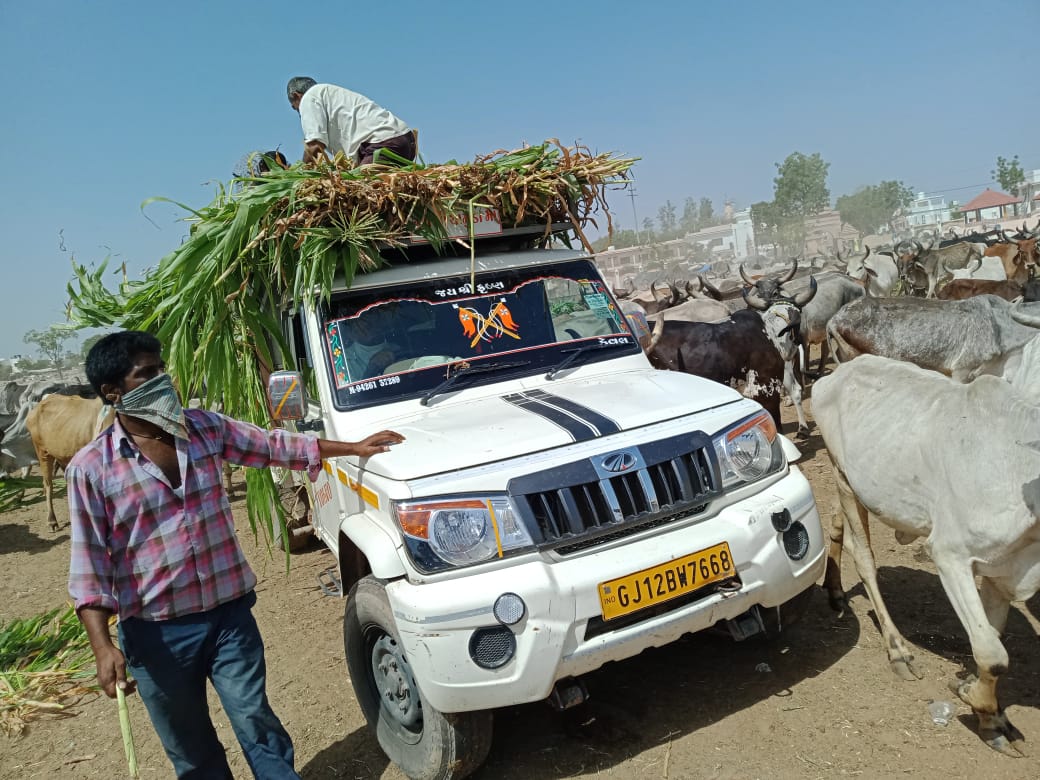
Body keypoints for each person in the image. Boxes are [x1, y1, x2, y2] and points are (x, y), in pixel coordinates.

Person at [66, 330, 404, 779]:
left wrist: (353, 448)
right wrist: (102, 647)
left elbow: (273, 446)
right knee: (190, 746)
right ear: (113, 393)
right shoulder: (91, 469)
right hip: (156, 635)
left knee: (254, 719)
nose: (162, 381)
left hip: (229, 618)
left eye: (160, 370)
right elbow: (89, 566)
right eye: (146, 375)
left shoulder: (204, 428)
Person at [286, 76, 416, 166]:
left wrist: (300, 175)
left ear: (296, 96)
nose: (299, 112)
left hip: (382, 144)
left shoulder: (309, 98)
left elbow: (314, 146)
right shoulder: (329, 94)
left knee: (361, 195)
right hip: (405, 141)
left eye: (295, 107)